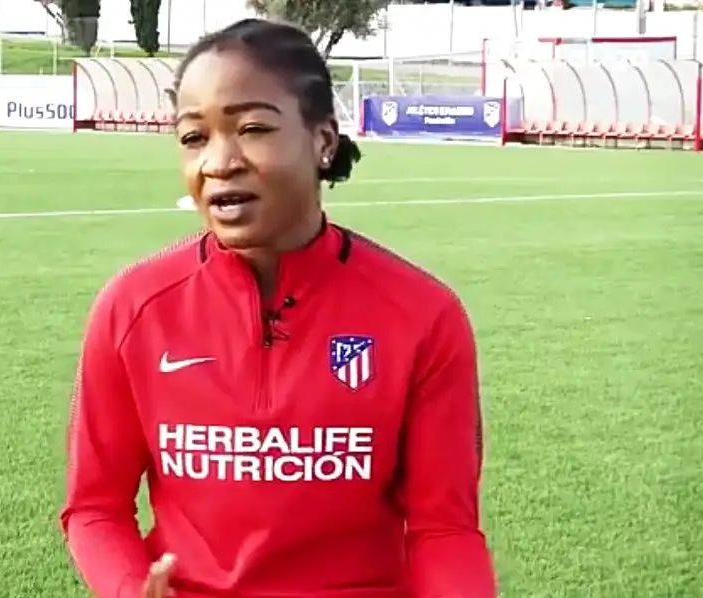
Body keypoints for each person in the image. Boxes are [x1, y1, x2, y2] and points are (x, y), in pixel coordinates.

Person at [60, 17, 497, 598]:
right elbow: (94, 507)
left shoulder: (423, 315)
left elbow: (444, 529)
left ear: (323, 140)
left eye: (253, 128)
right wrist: (127, 587)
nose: (219, 162)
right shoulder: (132, 308)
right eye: (193, 138)